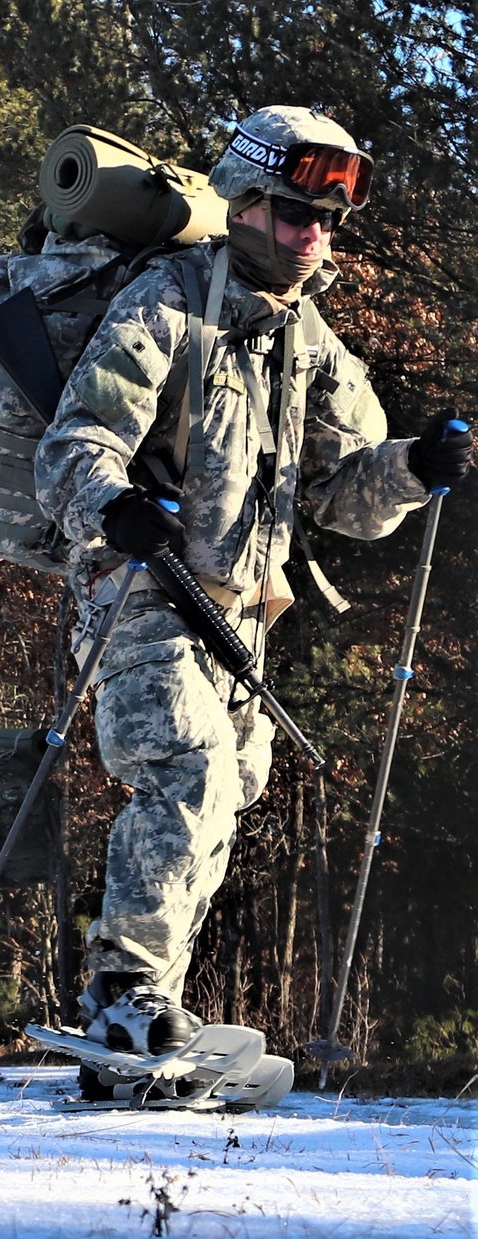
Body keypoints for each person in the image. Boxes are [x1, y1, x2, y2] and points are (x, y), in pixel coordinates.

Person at [33, 105, 473, 1067]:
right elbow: (73, 446)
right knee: (186, 770)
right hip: (141, 590)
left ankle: (152, 1013)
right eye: (294, 212)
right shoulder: (167, 300)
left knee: (229, 791)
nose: (313, 234)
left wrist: (410, 465)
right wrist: (115, 507)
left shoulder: (308, 339)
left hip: (244, 610)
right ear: (245, 204)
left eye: (327, 220)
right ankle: (124, 992)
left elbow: (344, 498)